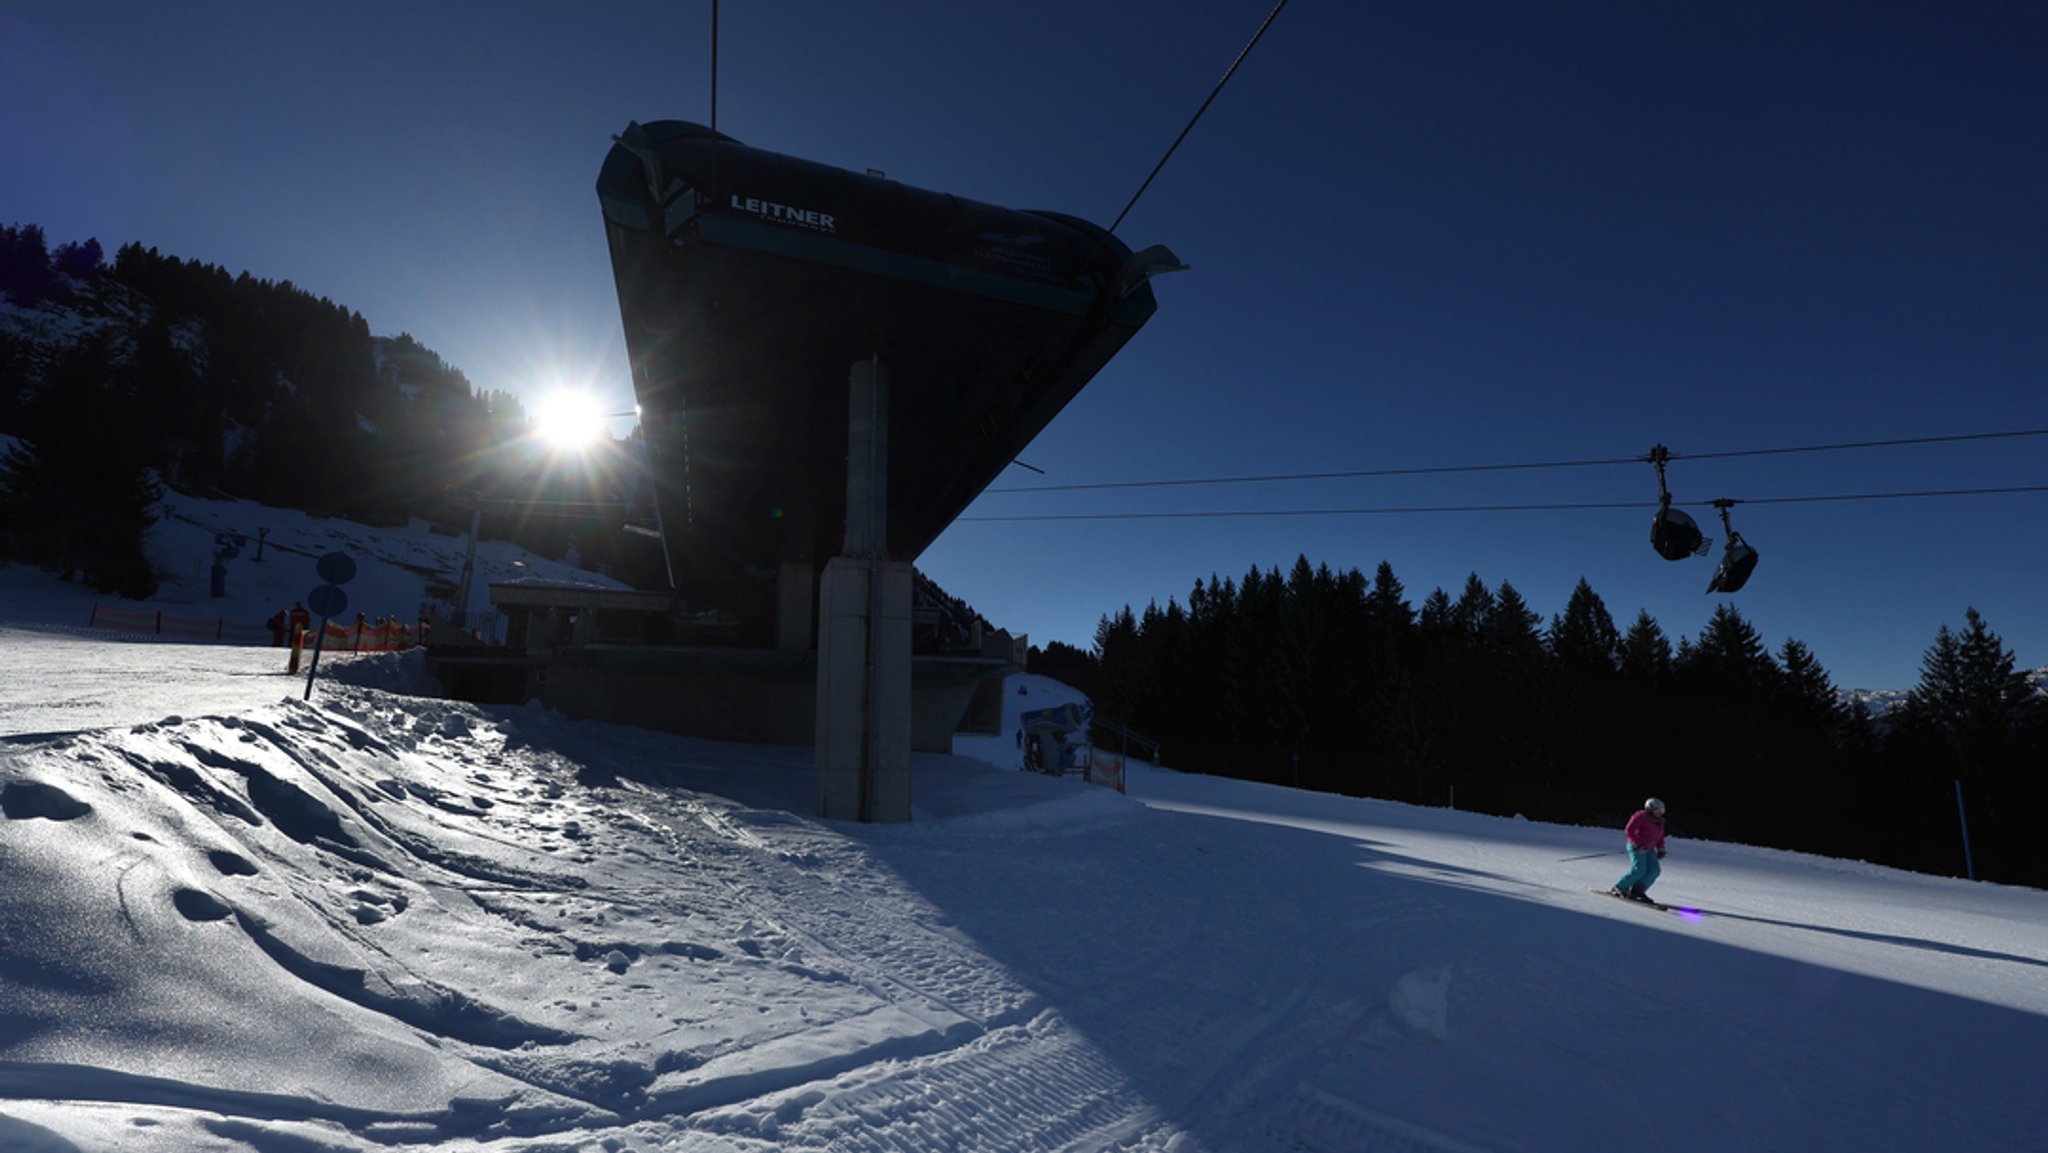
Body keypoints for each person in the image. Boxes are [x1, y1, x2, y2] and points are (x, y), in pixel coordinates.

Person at [1611, 797, 1668, 903]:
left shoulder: (1659, 822)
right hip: (1637, 847)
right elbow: (1629, 830)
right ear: (1650, 809)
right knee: (1639, 870)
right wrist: (1637, 844)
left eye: (1662, 811)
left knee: (1654, 871)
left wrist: (1661, 848)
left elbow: (1659, 836)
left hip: (1649, 849)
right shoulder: (1640, 817)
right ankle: (1620, 887)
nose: (1660, 813)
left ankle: (1637, 891)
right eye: (1658, 810)